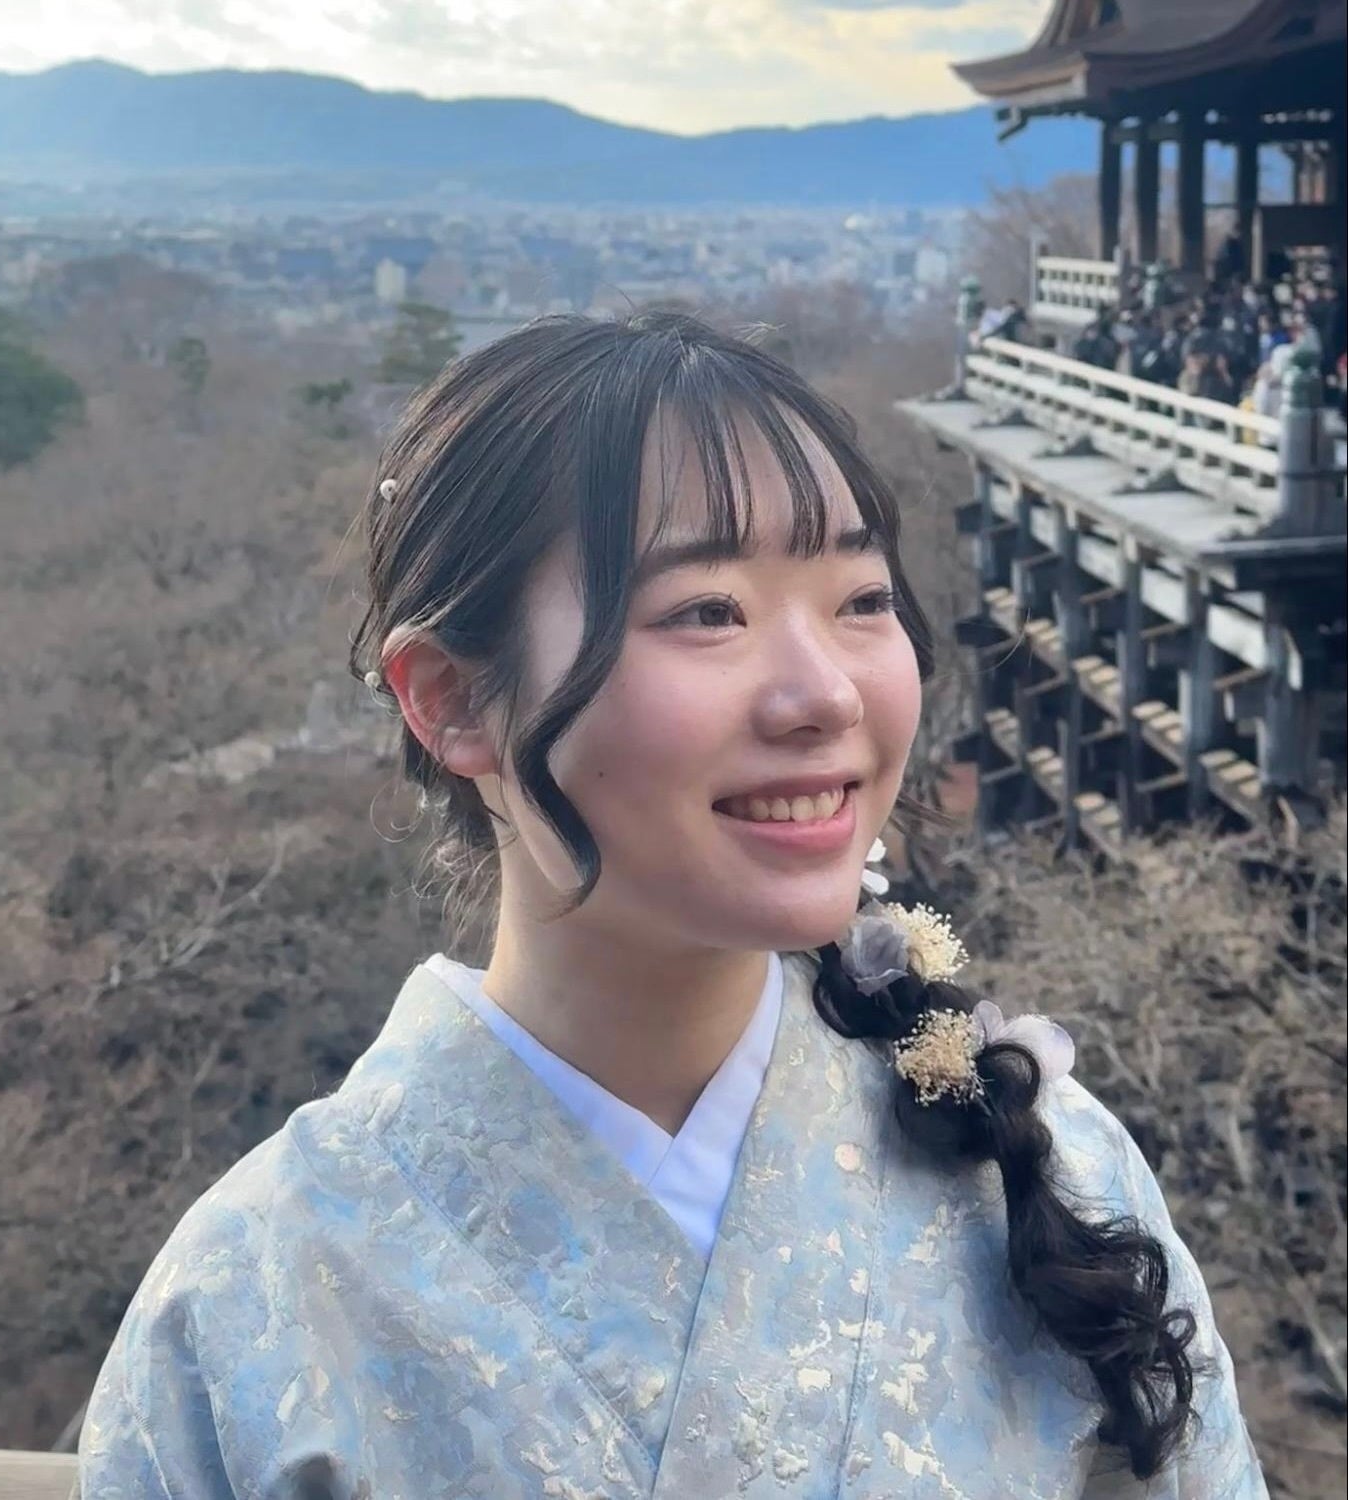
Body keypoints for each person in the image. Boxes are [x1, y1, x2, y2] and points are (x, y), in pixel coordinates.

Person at [77, 313, 1267, 1499]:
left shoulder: (1041, 1169)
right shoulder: (254, 1302)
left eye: (861, 598)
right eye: (707, 611)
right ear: (450, 700)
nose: (824, 695)